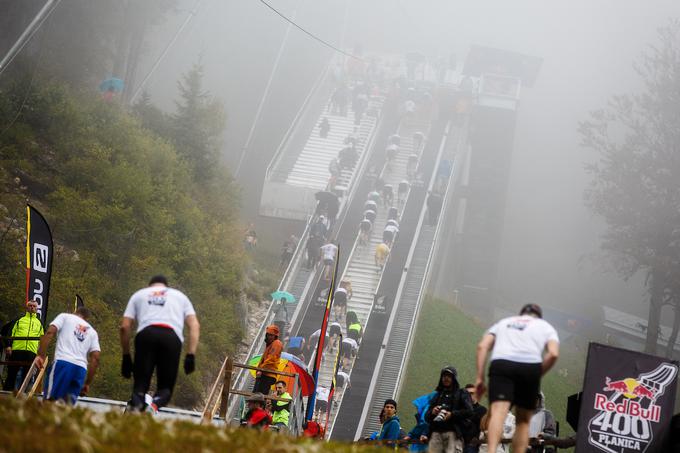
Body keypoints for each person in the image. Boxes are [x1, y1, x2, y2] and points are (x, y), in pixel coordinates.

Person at [475, 304, 559, 453]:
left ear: (520, 314)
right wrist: (537, 374)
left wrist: (480, 377)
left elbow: (482, 346)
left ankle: (491, 450)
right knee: (523, 422)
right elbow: (553, 354)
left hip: (501, 364)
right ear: (538, 316)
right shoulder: (545, 326)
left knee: (498, 413)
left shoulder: (504, 322)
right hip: (529, 366)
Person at [120, 275, 200, 412]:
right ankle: (153, 406)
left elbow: (124, 327)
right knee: (165, 389)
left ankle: (138, 406)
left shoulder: (139, 295)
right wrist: (190, 355)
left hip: (146, 336)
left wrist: (126, 356)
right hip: (171, 338)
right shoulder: (180, 297)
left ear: (150, 285)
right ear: (166, 286)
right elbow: (194, 326)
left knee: (139, 387)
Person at [34, 307, 100, 405]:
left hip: (63, 363)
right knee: (66, 407)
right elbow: (95, 358)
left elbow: (49, 332)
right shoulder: (92, 332)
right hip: (80, 370)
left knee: (49, 402)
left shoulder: (65, 317)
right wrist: (87, 383)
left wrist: (41, 355)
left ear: (75, 312)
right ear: (87, 319)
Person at [425, 366, 474, 453]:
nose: (446, 378)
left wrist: (452, 414)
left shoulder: (462, 393)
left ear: (454, 378)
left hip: (453, 434)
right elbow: (426, 417)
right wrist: (433, 412)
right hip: (436, 434)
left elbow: (469, 411)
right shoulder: (437, 395)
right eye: (444, 376)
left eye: (449, 376)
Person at [3, 300, 44, 391]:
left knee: (27, 377)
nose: (32, 307)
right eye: (30, 305)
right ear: (26, 307)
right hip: (17, 350)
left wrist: (40, 353)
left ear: (37, 309)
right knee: (11, 375)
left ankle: (24, 399)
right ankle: (5, 395)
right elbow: (9, 332)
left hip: (31, 352)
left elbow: (42, 339)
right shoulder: (18, 319)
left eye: (34, 306)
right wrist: (8, 346)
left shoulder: (40, 322)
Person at [253, 324, 283, 394]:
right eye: (268, 335)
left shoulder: (276, 343)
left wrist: (261, 369)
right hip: (265, 373)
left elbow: (271, 358)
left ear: (275, 336)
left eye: (271, 335)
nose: (269, 337)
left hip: (267, 374)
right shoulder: (270, 344)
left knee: (260, 395)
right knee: (257, 394)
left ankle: (259, 404)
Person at [462, 384, 487, 453]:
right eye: (466, 394)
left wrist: (476, 440)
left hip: (472, 445)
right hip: (457, 443)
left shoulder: (482, 410)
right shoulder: (459, 410)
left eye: (472, 393)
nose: (469, 396)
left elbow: (484, 428)